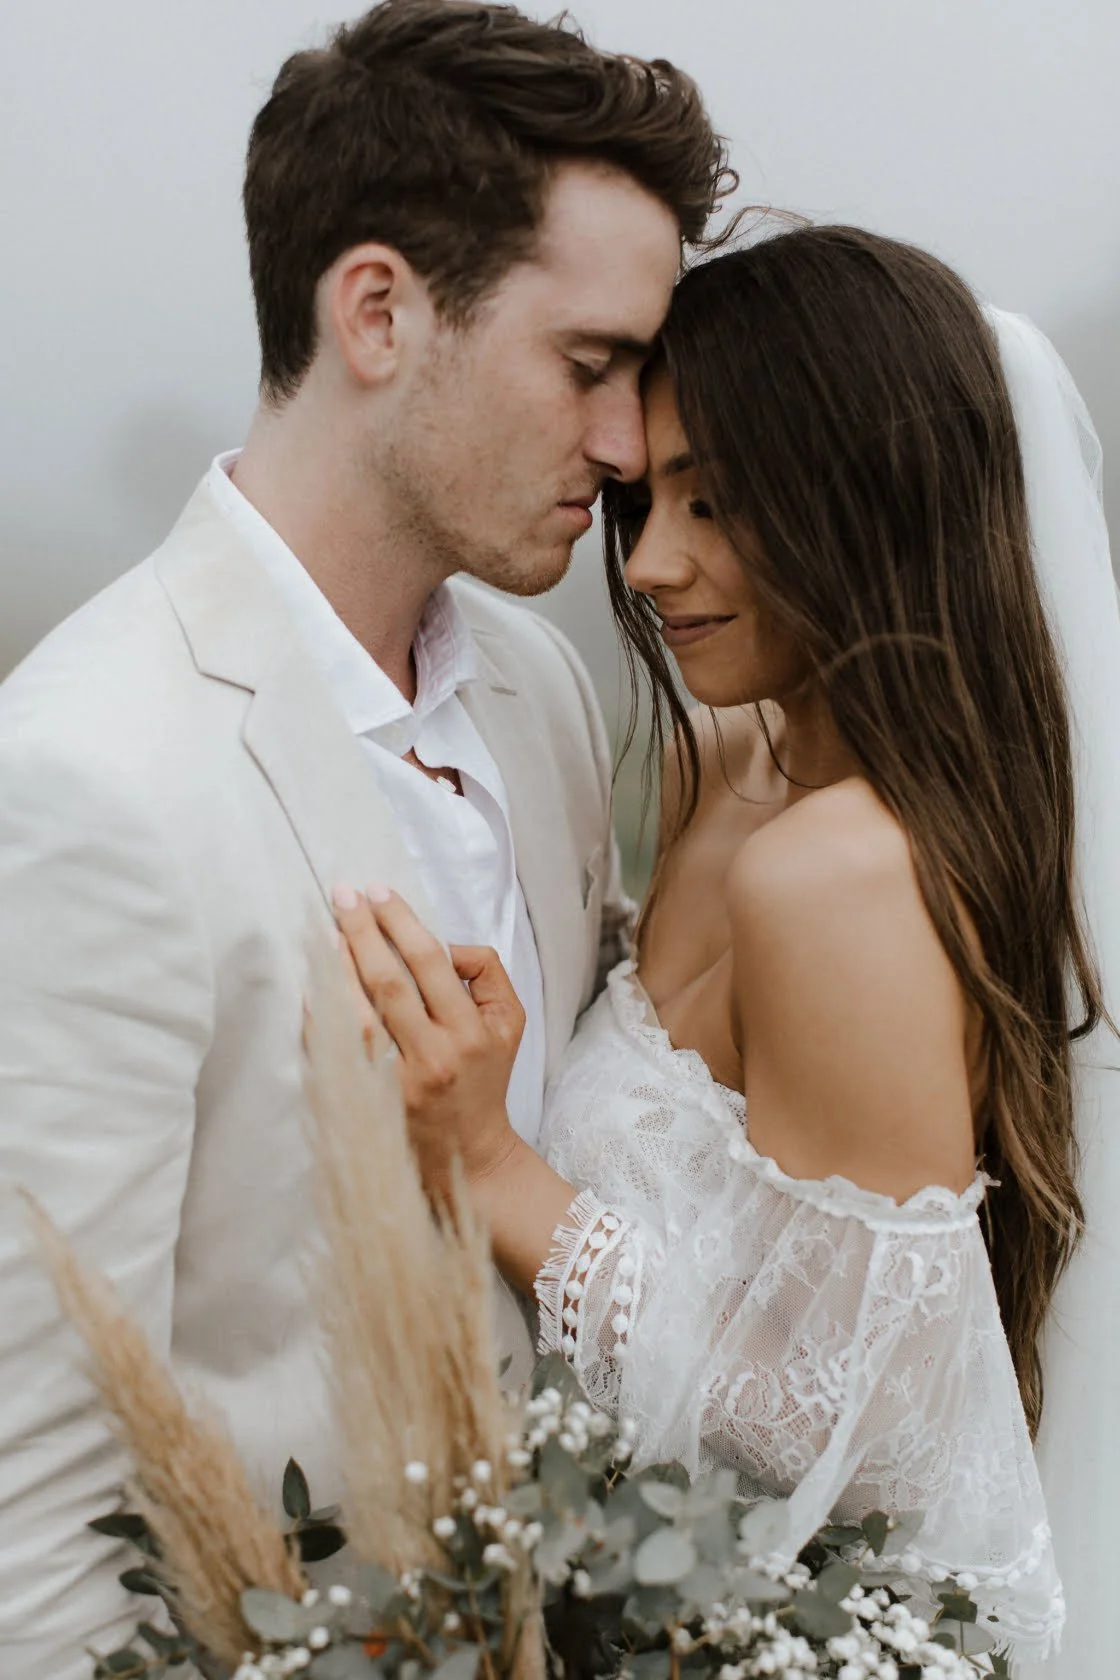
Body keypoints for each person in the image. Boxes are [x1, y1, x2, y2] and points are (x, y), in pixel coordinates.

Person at [0, 4, 730, 1673]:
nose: (629, 445)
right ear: (380, 312)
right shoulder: (82, 781)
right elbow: (27, 1527)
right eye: (590, 366)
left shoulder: (545, 693)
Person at [332, 226, 1120, 1665]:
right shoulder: (722, 759)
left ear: (872, 499)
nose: (648, 563)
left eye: (719, 502)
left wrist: (494, 1169)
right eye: (646, 500)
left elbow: (870, 1433)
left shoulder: (841, 874)